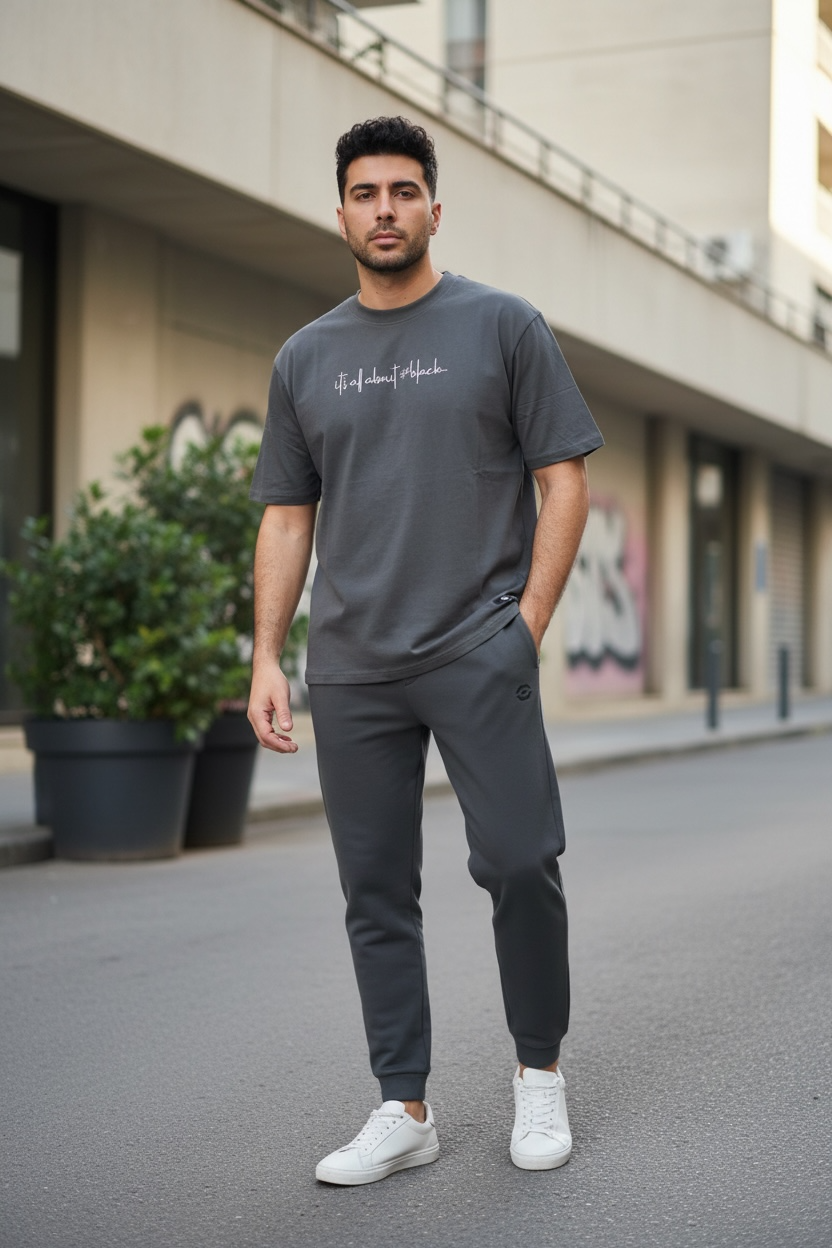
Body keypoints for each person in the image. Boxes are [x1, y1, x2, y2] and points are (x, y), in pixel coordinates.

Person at [247, 115, 603, 1185]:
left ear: (434, 209)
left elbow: (564, 481)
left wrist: (524, 628)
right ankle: (403, 1107)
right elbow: (286, 517)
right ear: (341, 214)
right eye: (366, 193)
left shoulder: (502, 325)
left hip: (477, 646)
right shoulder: (304, 357)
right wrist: (266, 655)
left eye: (404, 191)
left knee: (520, 861)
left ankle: (538, 1075)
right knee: (375, 891)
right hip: (353, 663)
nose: (385, 209)